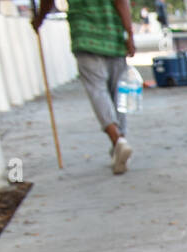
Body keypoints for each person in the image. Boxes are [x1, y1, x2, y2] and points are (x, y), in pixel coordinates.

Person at [33, 0, 136, 174]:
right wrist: (130, 34)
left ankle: (118, 141)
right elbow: (121, 2)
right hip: (113, 35)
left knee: (97, 91)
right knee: (118, 93)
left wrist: (39, 19)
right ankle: (119, 141)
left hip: (86, 37)